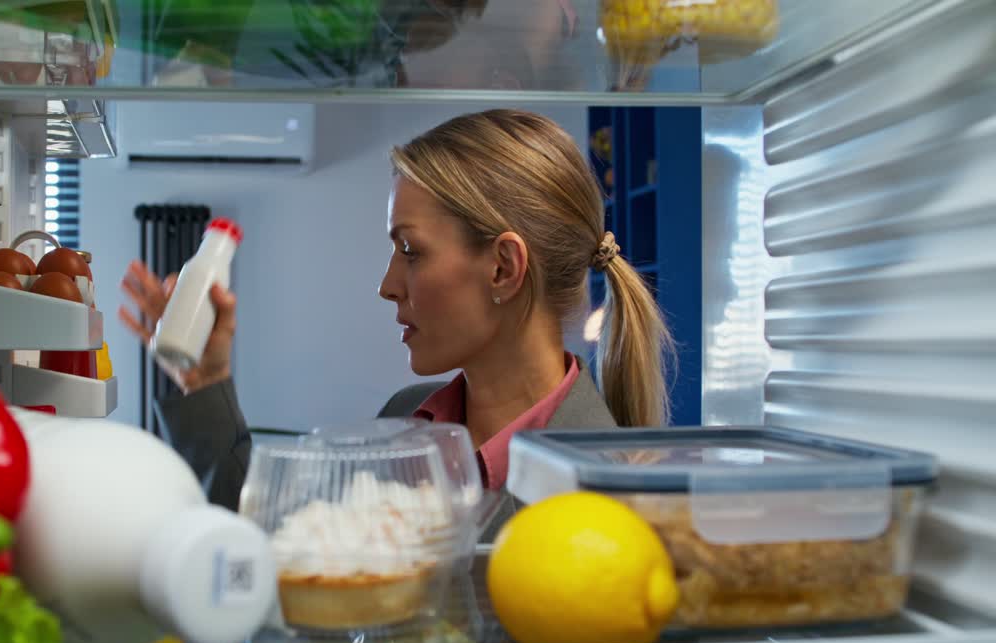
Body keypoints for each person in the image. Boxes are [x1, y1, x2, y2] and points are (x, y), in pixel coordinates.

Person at [119, 108, 673, 512]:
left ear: (503, 267)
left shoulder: (603, 494)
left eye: (410, 251)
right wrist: (206, 380)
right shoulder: (410, 417)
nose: (388, 285)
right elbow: (288, 543)